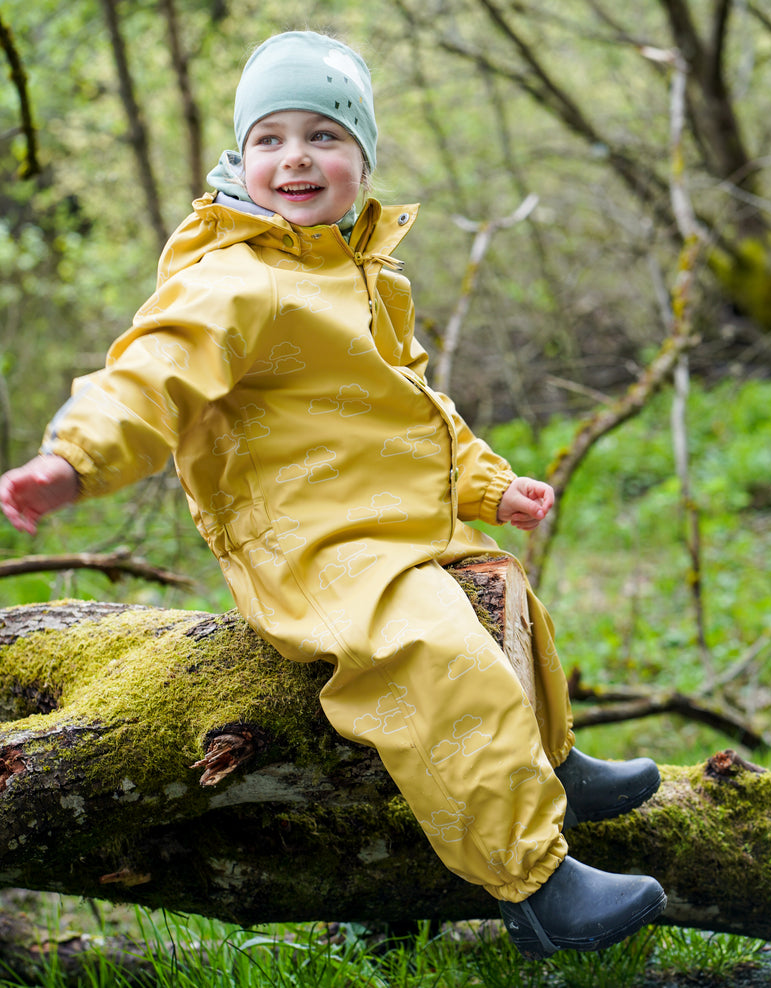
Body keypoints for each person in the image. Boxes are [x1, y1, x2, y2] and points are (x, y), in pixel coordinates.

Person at [0, 31, 666, 959]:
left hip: (393, 520)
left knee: (501, 590)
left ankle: (547, 762)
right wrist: (71, 460)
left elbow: (415, 409)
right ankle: (534, 883)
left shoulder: (357, 272)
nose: (296, 158)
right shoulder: (232, 282)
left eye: (323, 135)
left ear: (362, 161)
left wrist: (487, 484)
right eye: (270, 138)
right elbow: (148, 377)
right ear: (241, 158)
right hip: (312, 544)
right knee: (431, 648)